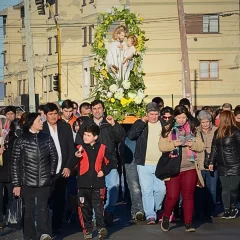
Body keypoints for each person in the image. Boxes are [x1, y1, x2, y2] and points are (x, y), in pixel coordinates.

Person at [75, 99, 126, 226]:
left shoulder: (109, 122)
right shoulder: (86, 124)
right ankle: (95, 217)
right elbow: (79, 142)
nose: (97, 111)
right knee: (93, 191)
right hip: (92, 163)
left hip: (110, 161)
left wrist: (114, 124)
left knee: (114, 186)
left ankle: (108, 210)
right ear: (91, 110)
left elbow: (121, 137)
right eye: (94, 108)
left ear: (103, 109)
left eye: (99, 108)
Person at [11, 113, 58, 240]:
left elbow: (54, 157)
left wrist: (51, 173)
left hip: (44, 181)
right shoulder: (21, 140)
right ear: (31, 123)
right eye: (39, 120)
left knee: (43, 209)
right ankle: (29, 236)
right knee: (29, 211)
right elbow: (15, 163)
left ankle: (43, 234)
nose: (42, 122)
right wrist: (16, 184)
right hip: (27, 182)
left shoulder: (46, 138)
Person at [159, 105, 204, 232]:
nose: (181, 120)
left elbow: (201, 146)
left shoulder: (193, 128)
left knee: (188, 195)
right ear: (175, 116)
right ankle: (166, 216)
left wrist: (193, 144)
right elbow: (162, 146)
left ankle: (188, 223)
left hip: (189, 167)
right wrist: (174, 143)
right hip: (173, 168)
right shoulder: (168, 129)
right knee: (172, 196)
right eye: (179, 117)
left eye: (184, 117)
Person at [128, 102, 166, 224]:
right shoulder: (142, 124)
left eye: (156, 114)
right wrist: (142, 122)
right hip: (143, 163)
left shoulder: (164, 125)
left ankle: (156, 208)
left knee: (161, 190)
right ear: (146, 114)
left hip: (160, 163)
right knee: (146, 190)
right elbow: (131, 135)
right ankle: (150, 215)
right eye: (151, 114)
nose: (154, 117)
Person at [74, 124, 114, 239]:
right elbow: (73, 166)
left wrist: (103, 171)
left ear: (95, 137)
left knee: (98, 207)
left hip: (98, 183)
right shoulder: (79, 148)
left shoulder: (102, 148)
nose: (85, 137)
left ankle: (101, 228)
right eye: (84, 135)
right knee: (84, 208)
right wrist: (76, 157)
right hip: (83, 184)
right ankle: (87, 230)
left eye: (88, 135)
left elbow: (110, 162)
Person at [42, 103, 75, 233]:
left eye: (55, 113)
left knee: (60, 199)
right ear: (45, 115)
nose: (53, 116)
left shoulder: (65, 127)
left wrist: (68, 167)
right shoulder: (42, 128)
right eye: (50, 114)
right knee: (46, 200)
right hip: (47, 171)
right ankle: (45, 226)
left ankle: (57, 225)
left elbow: (71, 149)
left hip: (62, 170)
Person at [209, 111, 240, 219]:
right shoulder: (218, 132)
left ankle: (233, 207)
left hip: (235, 164)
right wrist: (211, 162)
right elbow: (214, 148)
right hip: (222, 165)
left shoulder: (235, 131)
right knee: (225, 188)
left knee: (234, 188)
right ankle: (226, 209)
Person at [194, 110, 218, 219]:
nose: (205, 124)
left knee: (212, 189)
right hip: (199, 164)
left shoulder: (216, 131)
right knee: (199, 190)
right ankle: (198, 211)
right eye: (203, 122)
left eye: (207, 122)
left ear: (210, 121)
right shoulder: (196, 132)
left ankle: (210, 211)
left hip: (213, 164)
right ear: (200, 122)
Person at [0, 107, 20, 231]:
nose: (10, 116)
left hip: (11, 168)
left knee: (11, 195)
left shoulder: (15, 131)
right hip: (1, 169)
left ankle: (11, 217)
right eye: (8, 114)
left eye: (12, 114)